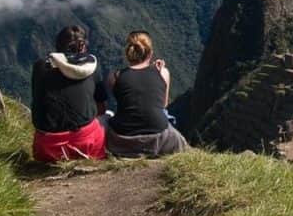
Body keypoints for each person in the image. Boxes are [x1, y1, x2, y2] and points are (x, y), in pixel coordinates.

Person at [105, 30, 189, 157]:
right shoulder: (163, 73)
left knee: (106, 118)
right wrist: (157, 72)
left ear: (128, 53)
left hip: (122, 141)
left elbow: (126, 101)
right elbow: (163, 105)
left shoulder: (114, 77)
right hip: (159, 139)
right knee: (168, 121)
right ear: (150, 53)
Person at [31, 26, 108, 162]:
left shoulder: (40, 67)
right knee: (108, 117)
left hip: (47, 149)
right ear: (83, 46)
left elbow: (38, 101)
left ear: (58, 46)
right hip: (86, 145)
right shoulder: (92, 68)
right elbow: (101, 109)